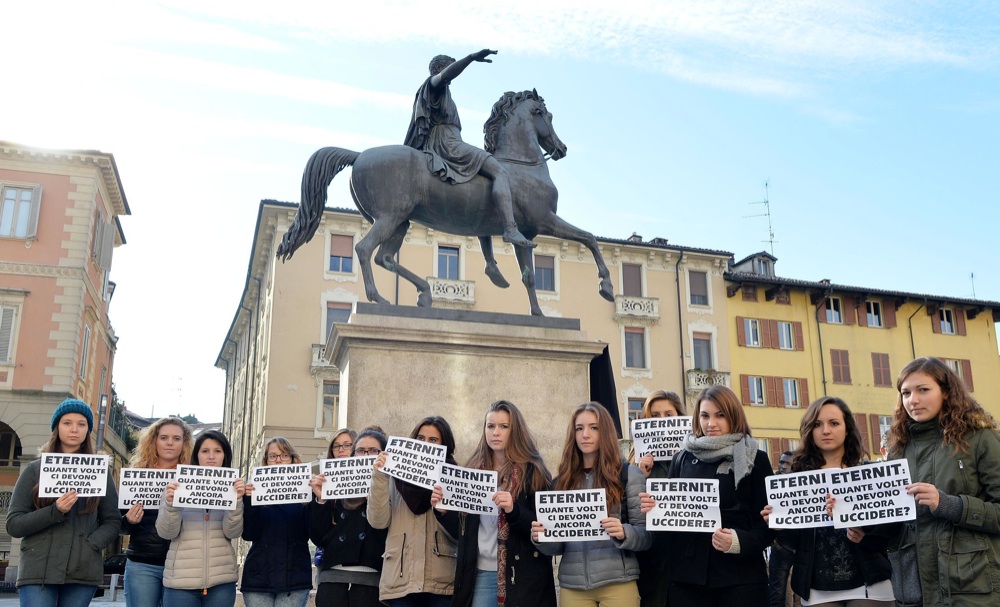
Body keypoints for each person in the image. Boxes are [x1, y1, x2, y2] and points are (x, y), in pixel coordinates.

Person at [881, 357, 1000, 606]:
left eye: (923, 390)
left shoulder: (980, 439)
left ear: (946, 392)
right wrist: (861, 524)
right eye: (905, 392)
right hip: (913, 589)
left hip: (970, 588)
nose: (912, 400)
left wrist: (949, 505)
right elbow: (892, 520)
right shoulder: (897, 447)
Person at [641, 385, 773, 607]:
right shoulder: (682, 459)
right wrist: (655, 509)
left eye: (720, 415)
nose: (711, 423)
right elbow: (670, 525)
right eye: (705, 415)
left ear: (733, 415)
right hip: (688, 581)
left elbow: (769, 523)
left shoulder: (755, 458)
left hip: (740, 579)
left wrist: (740, 541)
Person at [763, 398, 892, 606]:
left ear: (847, 428)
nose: (825, 430)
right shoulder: (795, 479)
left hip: (869, 584)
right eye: (817, 424)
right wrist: (778, 523)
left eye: (834, 423)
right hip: (816, 588)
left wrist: (864, 534)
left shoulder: (868, 473)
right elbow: (791, 542)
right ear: (809, 430)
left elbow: (892, 532)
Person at [404, 48, 534, 249]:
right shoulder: (433, 84)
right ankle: (510, 228)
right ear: (440, 68)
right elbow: (447, 75)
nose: (452, 73)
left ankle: (489, 261)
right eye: (449, 67)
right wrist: (471, 58)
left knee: (482, 185)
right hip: (447, 144)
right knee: (500, 170)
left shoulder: (443, 92)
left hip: (450, 140)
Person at [531, 402, 651, 607]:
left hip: (618, 583)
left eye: (593, 427)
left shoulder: (628, 475)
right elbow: (557, 547)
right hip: (573, 586)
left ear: (605, 431)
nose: (585, 434)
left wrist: (624, 532)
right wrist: (541, 538)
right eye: (579, 428)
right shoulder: (561, 482)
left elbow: (647, 536)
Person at [6, 399, 121, 607]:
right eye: (67, 423)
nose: (74, 429)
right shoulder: (34, 470)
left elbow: (112, 521)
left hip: (82, 571)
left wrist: (91, 545)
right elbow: (14, 524)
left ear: (88, 430)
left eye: (81, 424)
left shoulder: (101, 472)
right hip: (37, 570)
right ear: (57, 427)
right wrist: (55, 510)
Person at [440, 400, 556, 607]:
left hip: (524, 576)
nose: (496, 432)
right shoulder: (472, 471)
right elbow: (462, 532)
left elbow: (545, 527)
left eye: (504, 426)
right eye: (490, 426)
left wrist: (513, 510)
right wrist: (443, 511)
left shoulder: (534, 471)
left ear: (515, 430)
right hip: (481, 573)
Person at [368, 416, 460, 607]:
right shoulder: (392, 476)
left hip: (442, 584)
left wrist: (445, 512)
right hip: (401, 583)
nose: (425, 444)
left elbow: (462, 532)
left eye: (433, 440)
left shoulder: (454, 477)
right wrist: (379, 477)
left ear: (445, 445)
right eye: (420, 439)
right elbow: (378, 521)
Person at [156, 429, 245, 607]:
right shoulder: (175, 487)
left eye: (217, 451)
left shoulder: (235, 489)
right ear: (197, 455)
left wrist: (236, 501)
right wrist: (172, 504)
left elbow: (233, 532)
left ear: (225, 456)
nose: (211, 456)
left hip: (221, 581)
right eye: (205, 451)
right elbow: (166, 533)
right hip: (180, 582)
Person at [309, 426, 388, 607]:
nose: (366, 455)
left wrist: (378, 491)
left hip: (371, 580)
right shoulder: (334, 485)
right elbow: (318, 536)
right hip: (333, 579)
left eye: (373, 451)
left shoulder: (388, 486)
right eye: (361, 450)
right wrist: (321, 500)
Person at [120, 416, 194, 607]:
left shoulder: (194, 477)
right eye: (164, 437)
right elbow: (118, 526)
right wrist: (128, 520)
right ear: (154, 440)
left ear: (184, 443)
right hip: (142, 563)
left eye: (176, 438)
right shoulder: (136, 475)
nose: (170, 443)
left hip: (182, 565)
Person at [628, 390, 686, 607]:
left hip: (685, 561)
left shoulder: (695, 457)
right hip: (651, 561)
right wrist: (640, 476)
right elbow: (629, 509)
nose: (662, 422)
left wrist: (685, 463)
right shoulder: (634, 464)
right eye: (655, 416)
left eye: (669, 416)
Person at [240, 437, 313, 607]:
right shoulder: (255, 493)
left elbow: (311, 533)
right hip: (259, 577)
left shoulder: (306, 492)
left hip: (294, 577)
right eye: (273, 456)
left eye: (284, 455)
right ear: (266, 461)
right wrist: (250, 502)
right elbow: (249, 534)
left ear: (293, 459)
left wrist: (317, 500)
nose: (278, 460)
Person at [767, 451, 799, 607]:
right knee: (777, 595)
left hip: (801, 548)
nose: (783, 466)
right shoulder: (771, 483)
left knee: (802, 594)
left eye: (787, 463)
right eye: (781, 462)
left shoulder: (804, 484)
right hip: (781, 547)